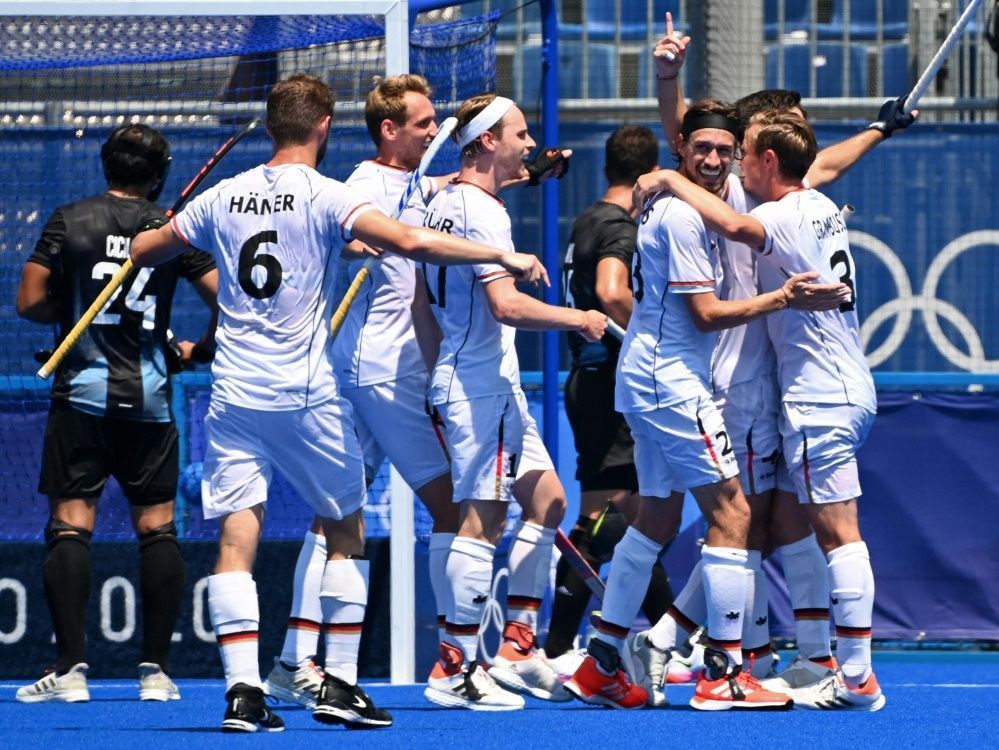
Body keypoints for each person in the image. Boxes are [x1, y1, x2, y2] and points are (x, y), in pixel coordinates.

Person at [129, 73, 547, 733]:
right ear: (324, 126)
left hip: (233, 394)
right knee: (347, 532)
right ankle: (340, 684)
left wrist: (168, 225)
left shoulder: (222, 196)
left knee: (238, 540)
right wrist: (500, 251)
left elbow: (145, 248)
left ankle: (244, 692)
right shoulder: (330, 194)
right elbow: (410, 242)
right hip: (305, 391)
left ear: (270, 126)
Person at [638, 18, 915, 705]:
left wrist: (671, 181)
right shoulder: (782, 193)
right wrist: (669, 81)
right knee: (765, 520)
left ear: (757, 157)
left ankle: (827, 669)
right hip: (758, 379)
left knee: (783, 523)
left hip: (798, 386)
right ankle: (783, 657)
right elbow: (695, 138)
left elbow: (748, 204)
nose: (724, 162)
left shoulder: (772, 206)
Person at [564, 100, 847, 711]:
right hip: (675, 384)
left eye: (725, 150)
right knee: (734, 516)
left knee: (658, 518)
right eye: (703, 150)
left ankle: (601, 662)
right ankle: (725, 671)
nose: (716, 160)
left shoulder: (688, 204)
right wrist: (783, 299)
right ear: (681, 150)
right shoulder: (684, 218)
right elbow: (706, 314)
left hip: (651, 379)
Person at [261, 73, 459, 710]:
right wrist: (360, 240)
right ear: (389, 130)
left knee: (335, 515)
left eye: (435, 122)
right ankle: (457, 664)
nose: (433, 132)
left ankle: (294, 659)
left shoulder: (409, 182)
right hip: (378, 371)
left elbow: (434, 191)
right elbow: (346, 236)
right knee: (455, 508)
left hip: (367, 371)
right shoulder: (365, 183)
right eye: (423, 123)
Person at [15, 124, 217, 704]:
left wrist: (74, 313)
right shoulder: (173, 229)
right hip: (150, 402)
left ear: (107, 167)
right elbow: (227, 303)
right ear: (158, 173)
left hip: (80, 394)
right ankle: (155, 673)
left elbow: (29, 300)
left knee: (71, 523)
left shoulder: (69, 218)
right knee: (157, 529)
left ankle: (72, 671)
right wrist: (192, 349)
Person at [418, 93, 606, 711]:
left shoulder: (442, 198)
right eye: (521, 134)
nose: (531, 143)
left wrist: (537, 169)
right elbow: (506, 306)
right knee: (485, 521)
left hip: (480, 380)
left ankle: (516, 648)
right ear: (485, 142)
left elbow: (426, 304)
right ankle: (453, 667)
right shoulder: (483, 215)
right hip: (479, 385)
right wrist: (579, 318)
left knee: (548, 500)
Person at [546, 124, 675, 687]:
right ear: (649, 175)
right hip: (607, 380)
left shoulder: (587, 218)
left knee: (606, 521)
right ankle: (672, 635)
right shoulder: (622, 226)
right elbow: (611, 291)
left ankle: (578, 646)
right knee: (624, 521)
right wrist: (653, 337)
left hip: (587, 379)